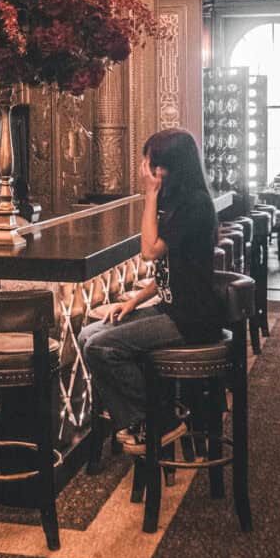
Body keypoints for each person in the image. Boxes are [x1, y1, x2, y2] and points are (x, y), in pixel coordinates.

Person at [78, 128, 223, 454]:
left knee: (102, 348)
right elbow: (170, 271)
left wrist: (150, 194)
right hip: (172, 308)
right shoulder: (179, 202)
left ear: (172, 167)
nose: (146, 168)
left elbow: (150, 252)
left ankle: (160, 421)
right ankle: (141, 420)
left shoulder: (194, 204)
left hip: (192, 318)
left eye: (152, 163)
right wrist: (134, 300)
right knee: (88, 334)